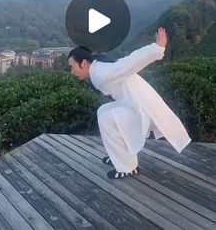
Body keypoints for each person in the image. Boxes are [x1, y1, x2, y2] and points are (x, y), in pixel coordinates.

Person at [68, 27, 191, 179]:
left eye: (72, 67)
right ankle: (118, 156)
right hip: (132, 104)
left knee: (107, 119)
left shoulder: (101, 73)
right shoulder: (98, 68)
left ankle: (128, 167)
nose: (72, 72)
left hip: (141, 108)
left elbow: (129, 62)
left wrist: (157, 49)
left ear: (84, 63)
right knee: (103, 111)